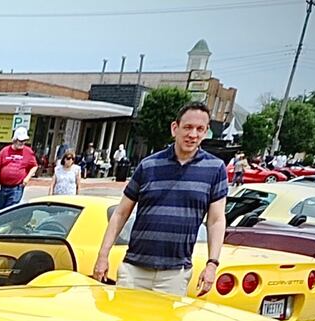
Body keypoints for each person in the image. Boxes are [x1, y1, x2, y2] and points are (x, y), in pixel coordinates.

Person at [91, 100, 227, 295]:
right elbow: (121, 213)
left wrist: (212, 264)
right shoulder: (148, 166)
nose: (193, 134)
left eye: (200, 129)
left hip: (175, 274)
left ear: (206, 132)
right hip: (134, 269)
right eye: (188, 127)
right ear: (175, 128)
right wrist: (103, 255)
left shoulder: (215, 169)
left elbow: (216, 220)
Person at [0, 127, 39, 211]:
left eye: (24, 141)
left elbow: (34, 166)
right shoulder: (5, 150)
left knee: (9, 210)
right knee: (0, 211)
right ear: (15, 140)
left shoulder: (28, 152)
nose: (22, 143)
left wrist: (27, 179)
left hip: (16, 187)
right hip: (2, 187)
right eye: (20, 141)